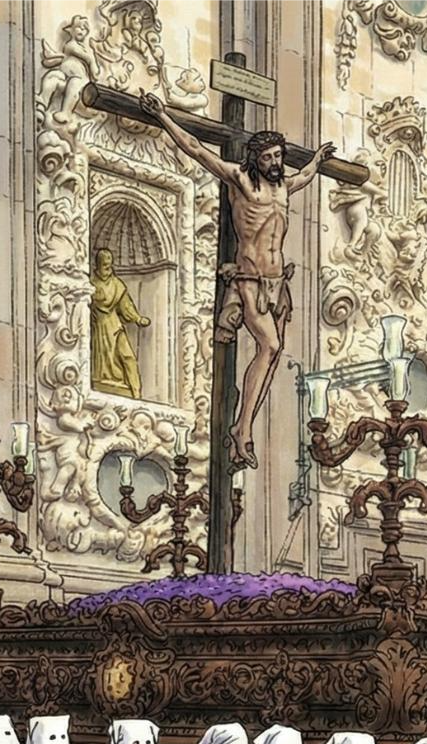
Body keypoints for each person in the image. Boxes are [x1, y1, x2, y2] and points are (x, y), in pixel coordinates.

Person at [138, 94, 335, 469]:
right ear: (255, 159)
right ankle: (241, 429)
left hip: (278, 283)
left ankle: (243, 429)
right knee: (269, 346)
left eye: (278, 156)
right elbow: (196, 148)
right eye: (268, 157)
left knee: (273, 355)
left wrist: (317, 159)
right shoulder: (241, 181)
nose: (275, 163)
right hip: (250, 279)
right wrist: (163, 116)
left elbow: (307, 175)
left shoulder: (283, 186)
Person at [89, 247, 149, 399]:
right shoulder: (91, 284)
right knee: (104, 360)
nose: (108, 268)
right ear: (98, 264)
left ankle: (136, 392)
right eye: (104, 265)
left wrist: (137, 318)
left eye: (110, 265)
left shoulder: (117, 284)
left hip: (114, 325)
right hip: (99, 328)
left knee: (128, 356)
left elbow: (126, 305)